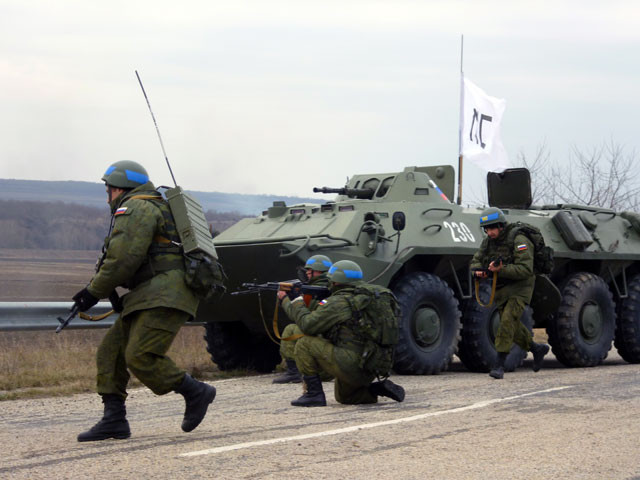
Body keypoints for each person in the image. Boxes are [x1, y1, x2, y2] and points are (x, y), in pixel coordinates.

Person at [74, 160, 216, 442]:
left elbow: (123, 259)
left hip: (166, 292)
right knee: (110, 353)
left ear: (119, 188)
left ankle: (196, 391)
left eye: (108, 190)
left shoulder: (137, 207)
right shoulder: (152, 205)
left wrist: (92, 292)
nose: (107, 198)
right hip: (150, 292)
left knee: (140, 355)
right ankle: (114, 420)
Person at [277, 260, 405, 406]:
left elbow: (308, 325)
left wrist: (294, 301)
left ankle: (313, 394)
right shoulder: (374, 295)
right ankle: (376, 389)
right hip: (373, 364)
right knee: (346, 398)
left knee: (304, 344)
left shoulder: (339, 301)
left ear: (336, 281)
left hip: (352, 364)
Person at [470, 207, 550, 379]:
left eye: (492, 228)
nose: (489, 232)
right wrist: (478, 271)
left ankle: (499, 365)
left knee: (506, 321)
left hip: (521, 287)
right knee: (512, 325)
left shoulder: (519, 239)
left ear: (501, 226)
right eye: (486, 229)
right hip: (502, 288)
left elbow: (525, 269)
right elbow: (476, 260)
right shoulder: (488, 242)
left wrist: (501, 269)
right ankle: (537, 349)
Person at [272, 254, 333, 384]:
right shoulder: (326, 287)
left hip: (324, 339)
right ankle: (296, 370)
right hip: (326, 339)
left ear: (319, 271)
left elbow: (300, 316)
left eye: (310, 270)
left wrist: (285, 300)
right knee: (293, 328)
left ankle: (296, 372)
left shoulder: (322, 291)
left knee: (292, 329)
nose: (307, 273)